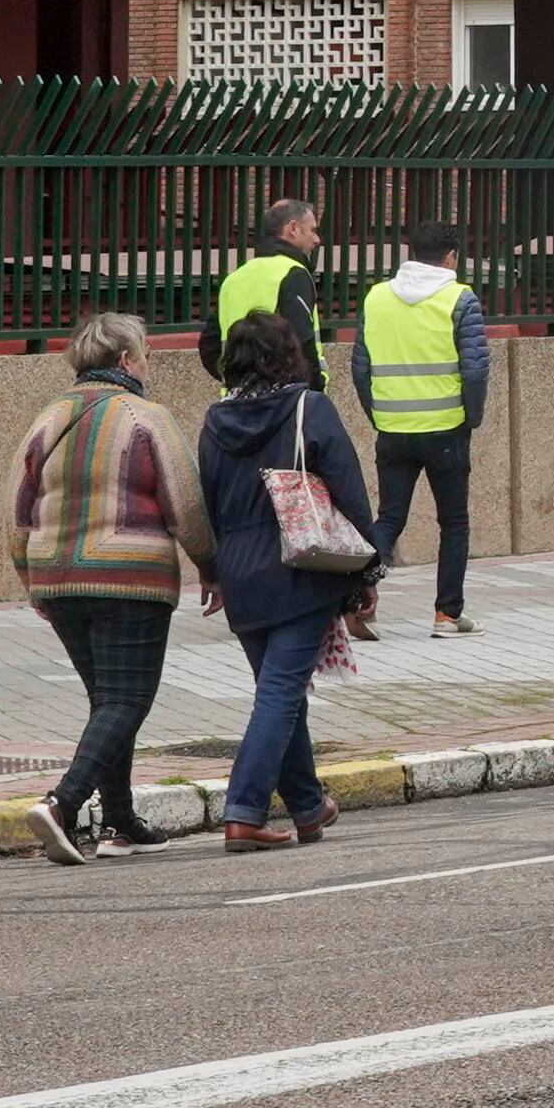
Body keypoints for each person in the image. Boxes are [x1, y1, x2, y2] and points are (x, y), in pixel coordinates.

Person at [8, 311, 212, 866]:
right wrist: (211, 567)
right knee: (127, 699)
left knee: (107, 701)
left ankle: (120, 822)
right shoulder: (147, 418)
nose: (147, 364)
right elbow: (187, 507)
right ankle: (62, 803)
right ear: (126, 360)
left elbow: (17, 508)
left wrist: (32, 579)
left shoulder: (46, 418)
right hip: (130, 579)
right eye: (144, 353)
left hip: (57, 576)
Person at [198, 308, 382, 853]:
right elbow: (348, 487)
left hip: (239, 571)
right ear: (289, 356)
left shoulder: (213, 421)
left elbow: (204, 501)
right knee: (280, 692)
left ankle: (307, 806)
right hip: (300, 568)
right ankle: (244, 810)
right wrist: (367, 569)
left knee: (281, 691)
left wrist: (212, 572)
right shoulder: (309, 407)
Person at [357, 227, 492, 631]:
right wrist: (472, 417)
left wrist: (378, 414)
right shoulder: (459, 299)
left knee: (389, 518)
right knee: (453, 523)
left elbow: (360, 367)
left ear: (412, 254)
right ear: (451, 256)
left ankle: (357, 595)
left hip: (393, 428)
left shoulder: (376, 297)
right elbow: (475, 369)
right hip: (447, 428)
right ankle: (447, 614)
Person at [206, 198, 326, 388]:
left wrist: (239, 380)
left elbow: (209, 346)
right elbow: (302, 343)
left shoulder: (235, 277)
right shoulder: (293, 274)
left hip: (237, 401)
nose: (317, 239)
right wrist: (315, 392)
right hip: (283, 402)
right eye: (312, 230)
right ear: (293, 228)